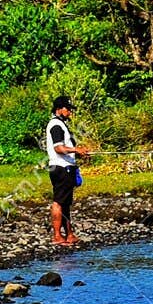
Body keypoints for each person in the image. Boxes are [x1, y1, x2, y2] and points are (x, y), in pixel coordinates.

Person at [46, 95, 90, 245]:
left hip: (67, 167)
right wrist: (76, 150)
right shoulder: (56, 125)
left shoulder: (61, 124)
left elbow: (65, 148)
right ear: (59, 109)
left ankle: (69, 234)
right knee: (59, 202)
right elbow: (58, 148)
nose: (70, 112)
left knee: (65, 202)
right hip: (60, 167)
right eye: (68, 109)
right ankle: (57, 236)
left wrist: (77, 153)